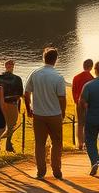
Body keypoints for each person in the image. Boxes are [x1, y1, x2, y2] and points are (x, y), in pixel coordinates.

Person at [24, 47, 67, 181]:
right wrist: (63, 112)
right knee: (57, 142)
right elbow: (62, 98)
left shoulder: (35, 73)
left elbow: (26, 93)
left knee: (40, 143)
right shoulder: (58, 77)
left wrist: (28, 108)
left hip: (39, 114)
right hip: (54, 114)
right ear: (56, 60)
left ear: (44, 58)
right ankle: (56, 170)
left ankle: (41, 171)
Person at [0, 59, 24, 152]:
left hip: (1, 104)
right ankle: (7, 143)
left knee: (2, 124)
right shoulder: (17, 79)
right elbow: (20, 93)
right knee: (11, 124)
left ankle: (0, 143)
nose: (10, 66)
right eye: (10, 65)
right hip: (12, 104)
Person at [71, 59, 94, 150]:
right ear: (91, 67)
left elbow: (74, 91)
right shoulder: (92, 79)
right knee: (88, 124)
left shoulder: (76, 77)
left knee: (80, 124)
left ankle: (80, 143)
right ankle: (86, 143)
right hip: (89, 104)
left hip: (79, 103)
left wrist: (77, 101)